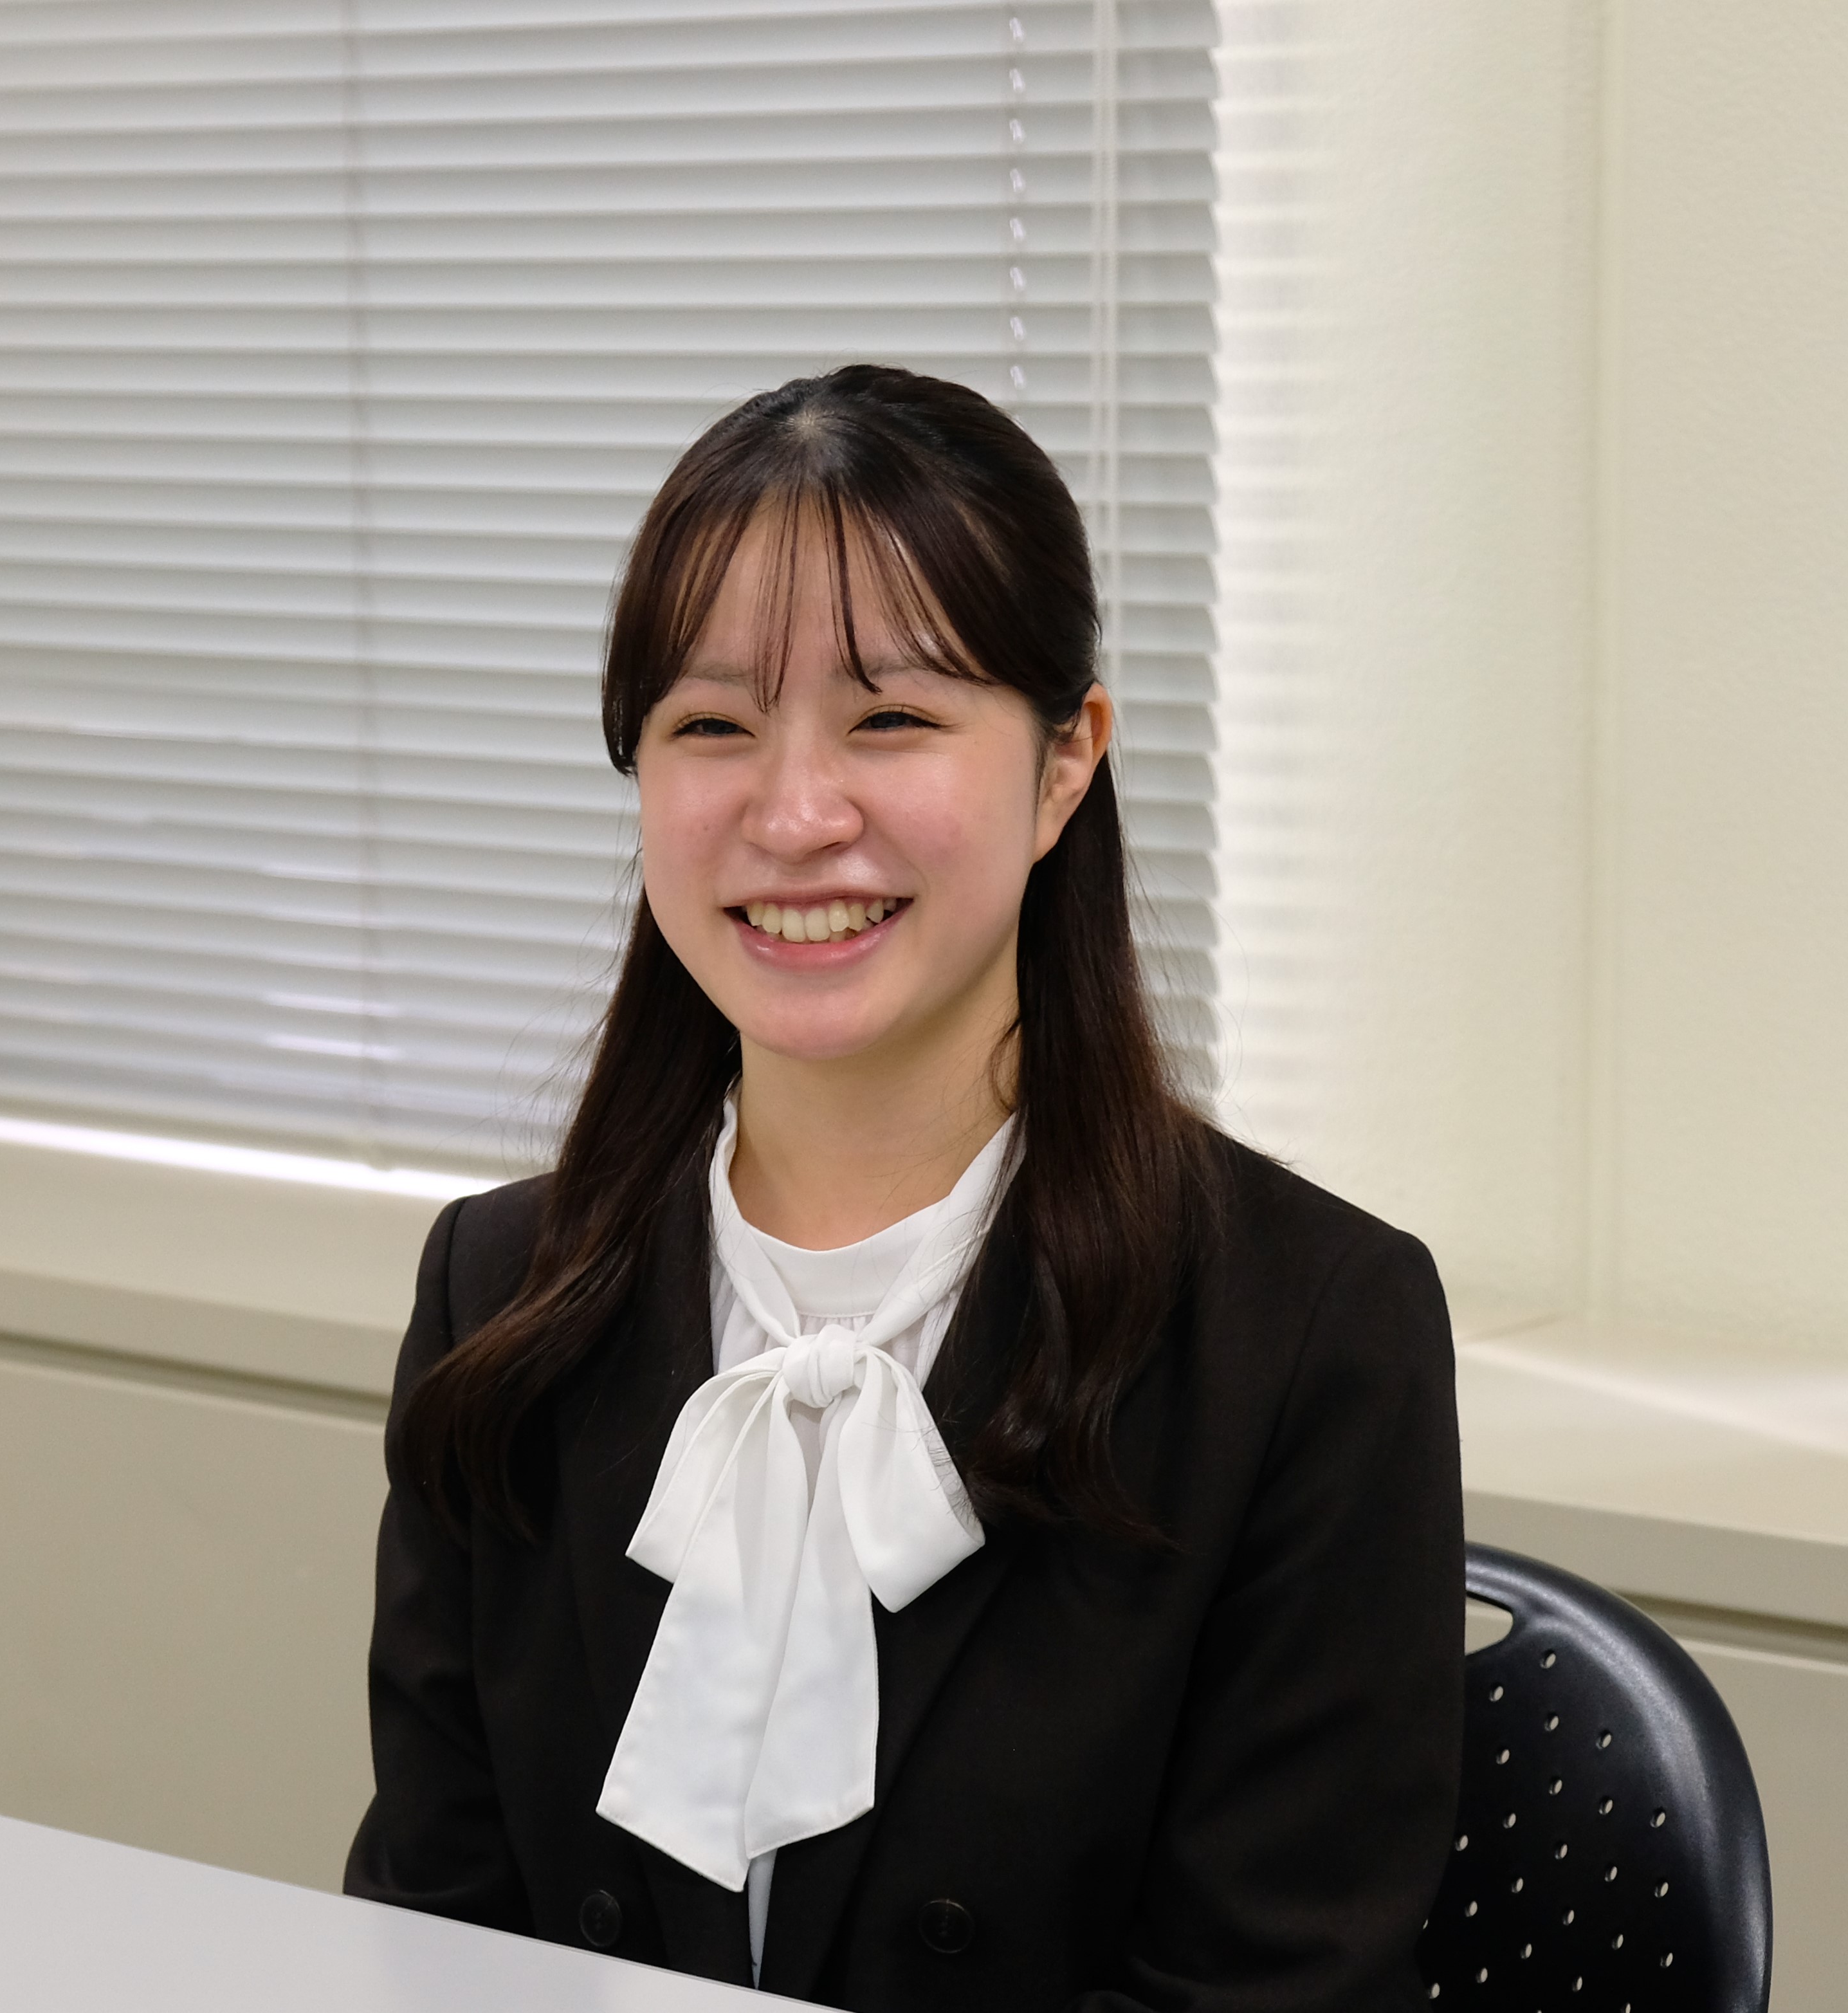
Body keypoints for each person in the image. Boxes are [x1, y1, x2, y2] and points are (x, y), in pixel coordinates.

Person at [342, 365, 1463, 2010]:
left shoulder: (1308, 1335)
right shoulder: (497, 1294)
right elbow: (429, 1938)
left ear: (1065, 761)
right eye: (710, 726)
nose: (796, 814)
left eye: (891, 719)